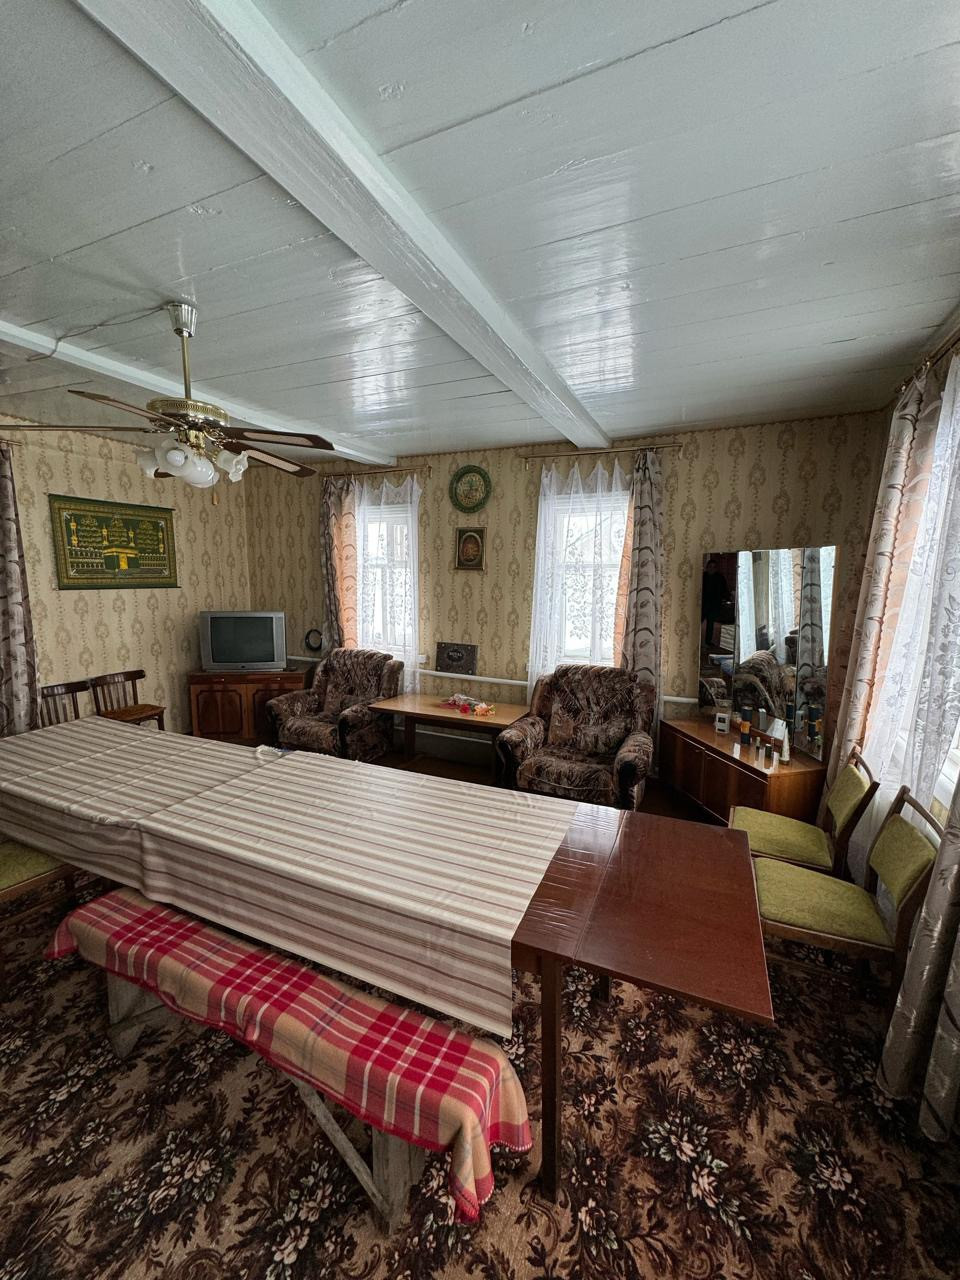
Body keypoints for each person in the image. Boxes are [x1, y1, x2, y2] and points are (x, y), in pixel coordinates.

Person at [701, 557, 732, 649]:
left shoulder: (720, 577)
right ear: (707, 567)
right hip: (703, 603)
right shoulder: (703, 576)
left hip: (714, 604)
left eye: (714, 567)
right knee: (698, 622)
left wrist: (727, 598)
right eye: (710, 566)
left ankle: (708, 641)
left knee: (710, 624)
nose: (712, 569)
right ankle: (695, 640)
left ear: (716, 568)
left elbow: (724, 590)